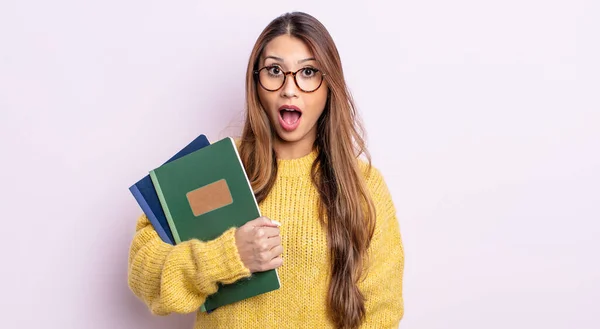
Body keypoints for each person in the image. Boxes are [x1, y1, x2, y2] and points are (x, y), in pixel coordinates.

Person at [128, 11, 404, 329]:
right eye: (275, 70)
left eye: (309, 72)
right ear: (256, 81)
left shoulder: (363, 185)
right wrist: (228, 256)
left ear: (329, 86)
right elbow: (144, 274)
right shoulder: (212, 172)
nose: (290, 89)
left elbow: (381, 313)